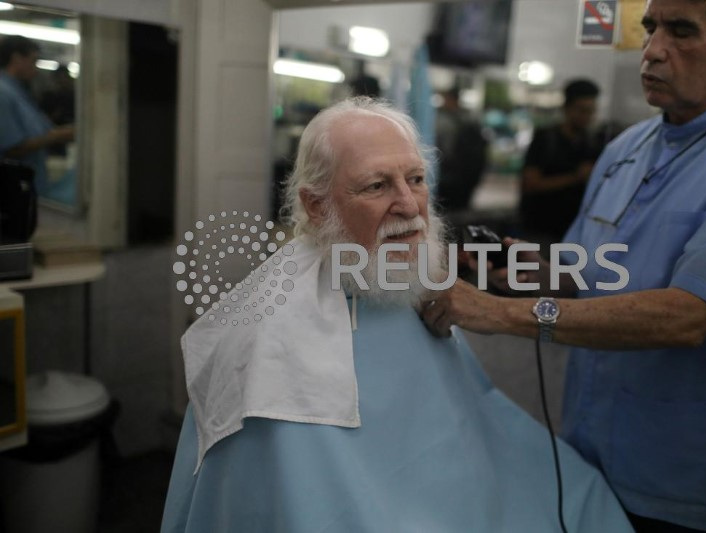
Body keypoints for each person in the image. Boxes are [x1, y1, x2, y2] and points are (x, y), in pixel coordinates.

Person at [161, 97, 633, 532]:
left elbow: (473, 430)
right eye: (376, 185)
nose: (410, 206)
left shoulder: (408, 287)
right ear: (316, 203)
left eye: (417, 179)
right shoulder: (266, 335)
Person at [421, 1, 706, 531]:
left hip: (695, 484)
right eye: (650, 29)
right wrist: (526, 272)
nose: (653, 52)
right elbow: (583, 271)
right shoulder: (625, 148)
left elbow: (688, 316)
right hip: (592, 458)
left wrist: (495, 314)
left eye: (681, 31)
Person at [519, 79, 600, 246]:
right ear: (567, 108)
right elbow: (530, 184)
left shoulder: (590, 143)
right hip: (540, 230)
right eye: (582, 110)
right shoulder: (546, 139)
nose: (587, 117)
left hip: (573, 234)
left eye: (591, 111)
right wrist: (575, 177)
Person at [0, 35, 74, 192]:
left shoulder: (19, 92)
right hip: (13, 189)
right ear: (17, 59)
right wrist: (58, 136)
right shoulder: (3, 93)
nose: (35, 68)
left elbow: (38, 129)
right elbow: (11, 147)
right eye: (33, 61)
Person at [434, 87, 488, 214]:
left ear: (451, 99)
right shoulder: (470, 119)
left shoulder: (447, 121)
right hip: (466, 176)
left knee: (447, 211)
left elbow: (445, 149)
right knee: (461, 209)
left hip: (451, 175)